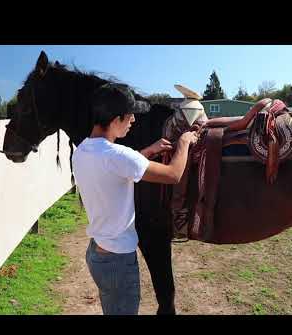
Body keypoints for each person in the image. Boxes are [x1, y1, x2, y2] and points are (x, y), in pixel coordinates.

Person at [72, 83, 198, 315]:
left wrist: (148, 151)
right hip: (118, 260)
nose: (133, 120)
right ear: (116, 118)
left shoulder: (81, 151)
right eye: (130, 115)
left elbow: (116, 168)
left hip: (98, 254)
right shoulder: (120, 155)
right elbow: (173, 175)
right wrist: (184, 143)